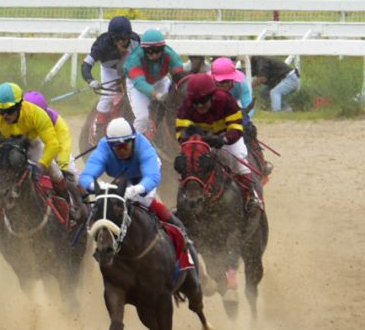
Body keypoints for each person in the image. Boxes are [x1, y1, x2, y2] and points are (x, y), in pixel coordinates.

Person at [79, 117, 198, 266]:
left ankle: (183, 237)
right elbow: (85, 177)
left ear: (133, 141)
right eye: (116, 147)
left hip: (144, 178)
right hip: (123, 178)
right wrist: (99, 186)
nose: (121, 150)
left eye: (125, 146)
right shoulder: (103, 148)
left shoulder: (144, 147)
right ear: (110, 145)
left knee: (146, 203)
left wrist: (136, 189)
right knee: (103, 208)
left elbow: (153, 177)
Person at [0, 82, 80, 222]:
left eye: (9, 111)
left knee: (55, 172)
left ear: (19, 105)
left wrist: (40, 165)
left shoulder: (36, 114)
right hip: (8, 149)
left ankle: (68, 207)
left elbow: (52, 144)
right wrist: (0, 167)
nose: (5, 115)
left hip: (32, 145)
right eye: (0, 111)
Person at [176, 72, 263, 212]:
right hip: (201, 140)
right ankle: (182, 201)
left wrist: (223, 139)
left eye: (203, 101)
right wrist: (195, 139)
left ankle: (251, 196)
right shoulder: (187, 105)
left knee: (240, 162)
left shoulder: (226, 100)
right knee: (186, 164)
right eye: (195, 102)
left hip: (226, 137)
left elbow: (236, 127)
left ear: (212, 96)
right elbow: (181, 132)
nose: (199, 106)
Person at [81, 15, 141, 141]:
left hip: (130, 69)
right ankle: (98, 129)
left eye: (124, 38)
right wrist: (91, 80)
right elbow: (86, 65)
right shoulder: (102, 45)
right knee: (107, 98)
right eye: (116, 38)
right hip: (110, 71)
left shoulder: (136, 42)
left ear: (129, 36)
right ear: (111, 37)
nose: (121, 42)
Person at [210, 56, 272, 177]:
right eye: (223, 82)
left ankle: (252, 192)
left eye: (230, 80)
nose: (229, 85)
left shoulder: (241, 85)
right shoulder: (203, 88)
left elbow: (249, 108)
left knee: (248, 129)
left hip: (235, 114)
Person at [124, 28, 186, 138]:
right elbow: (140, 83)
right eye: (150, 51)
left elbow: (180, 75)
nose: (155, 55)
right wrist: (157, 95)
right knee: (143, 118)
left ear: (163, 48)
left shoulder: (169, 54)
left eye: (158, 50)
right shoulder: (134, 58)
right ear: (143, 49)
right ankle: (134, 143)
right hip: (137, 85)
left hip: (160, 80)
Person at [23, 90, 78, 176]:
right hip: (33, 148)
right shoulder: (16, 119)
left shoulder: (57, 121)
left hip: (54, 148)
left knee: (71, 173)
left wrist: (63, 166)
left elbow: (64, 146)